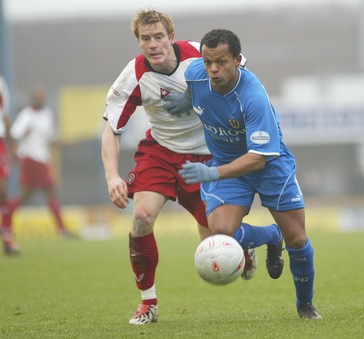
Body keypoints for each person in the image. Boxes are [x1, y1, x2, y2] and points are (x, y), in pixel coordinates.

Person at [101, 9, 283, 326]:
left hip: (208, 157)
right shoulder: (133, 76)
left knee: (213, 239)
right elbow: (112, 131)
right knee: (141, 217)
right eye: (146, 39)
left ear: (172, 37)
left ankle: (262, 238)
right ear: (139, 42)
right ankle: (148, 303)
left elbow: (240, 74)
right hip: (159, 153)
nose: (154, 44)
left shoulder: (200, 57)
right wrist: (112, 176)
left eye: (159, 37)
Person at [172, 29, 322, 319]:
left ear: (238, 60)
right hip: (229, 165)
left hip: (268, 163)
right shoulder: (195, 72)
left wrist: (213, 173)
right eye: (207, 61)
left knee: (297, 239)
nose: (213, 69)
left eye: (221, 62)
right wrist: (184, 101)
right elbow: (193, 89)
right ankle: (269, 236)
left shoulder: (253, 96)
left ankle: (305, 305)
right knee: (220, 233)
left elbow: (257, 160)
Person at [3, 87, 71, 240]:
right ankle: (62, 229)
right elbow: (14, 134)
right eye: (38, 97)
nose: (41, 100)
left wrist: (65, 143)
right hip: (31, 159)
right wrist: (15, 150)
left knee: (27, 196)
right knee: (48, 191)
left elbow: (51, 138)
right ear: (33, 99)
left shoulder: (47, 115)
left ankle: (6, 224)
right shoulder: (27, 115)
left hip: (42, 159)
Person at [0, 75, 19, 255]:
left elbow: (4, 115)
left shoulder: (1, 83)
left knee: (3, 192)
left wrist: (12, 146)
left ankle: (7, 239)